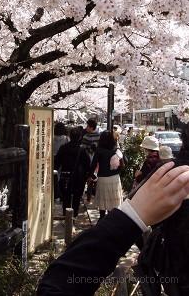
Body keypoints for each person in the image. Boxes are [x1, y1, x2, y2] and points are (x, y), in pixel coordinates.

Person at [37, 161, 189, 296]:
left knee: (102, 205)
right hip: (112, 181)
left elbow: (58, 285)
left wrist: (132, 216)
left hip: (107, 183)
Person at [54, 127, 91, 218]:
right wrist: (87, 176)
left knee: (66, 199)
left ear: (70, 136)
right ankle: (74, 217)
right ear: (79, 137)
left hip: (65, 176)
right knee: (76, 199)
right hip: (79, 178)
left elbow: (57, 163)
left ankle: (66, 217)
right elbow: (88, 164)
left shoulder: (63, 148)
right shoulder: (82, 150)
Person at [88, 131, 123, 220]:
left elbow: (93, 165)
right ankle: (111, 223)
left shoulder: (99, 150)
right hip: (115, 179)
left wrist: (91, 176)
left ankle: (102, 222)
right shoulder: (116, 150)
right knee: (113, 205)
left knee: (102, 208)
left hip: (103, 179)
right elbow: (123, 164)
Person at [80, 119, 100, 203]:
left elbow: (82, 148)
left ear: (91, 127)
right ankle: (88, 197)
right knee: (90, 178)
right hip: (91, 160)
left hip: (92, 161)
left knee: (91, 178)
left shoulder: (88, 136)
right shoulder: (97, 136)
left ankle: (89, 197)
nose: (86, 127)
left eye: (88, 126)